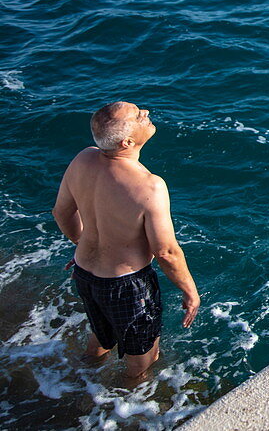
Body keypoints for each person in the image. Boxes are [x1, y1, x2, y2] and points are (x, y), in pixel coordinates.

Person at [52, 101, 200, 379]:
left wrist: (81, 243)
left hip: (84, 273)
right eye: (137, 115)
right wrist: (190, 291)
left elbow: (61, 212)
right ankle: (125, 407)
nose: (145, 113)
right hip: (126, 286)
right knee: (144, 358)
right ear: (127, 142)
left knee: (101, 337)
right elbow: (166, 252)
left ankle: (76, 381)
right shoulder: (149, 186)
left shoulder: (83, 158)